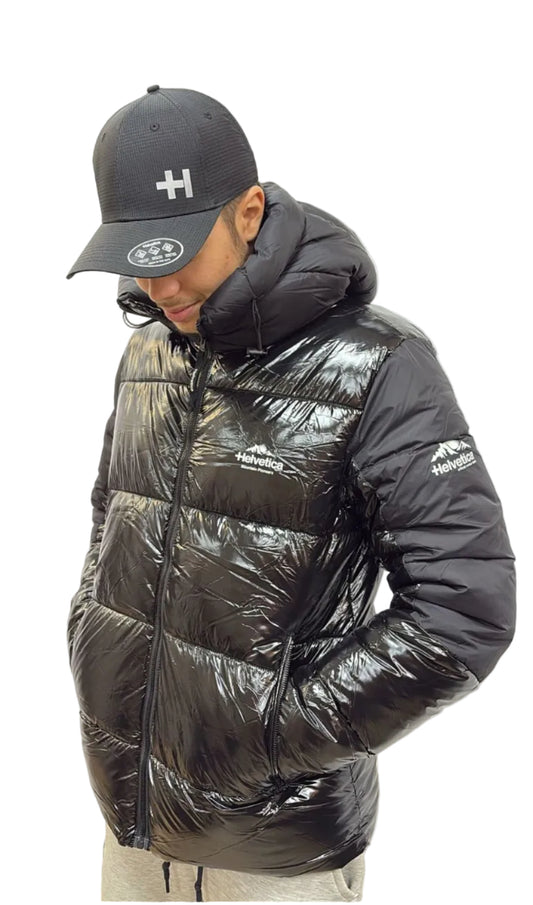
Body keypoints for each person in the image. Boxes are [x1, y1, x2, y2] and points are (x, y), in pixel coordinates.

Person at [66, 86, 516, 903]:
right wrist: (89, 644)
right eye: (137, 256)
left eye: (176, 253)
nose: (159, 286)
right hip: (131, 833)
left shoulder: (378, 363)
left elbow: (465, 604)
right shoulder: (148, 353)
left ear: (247, 212)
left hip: (274, 858)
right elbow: (111, 518)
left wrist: (274, 733)